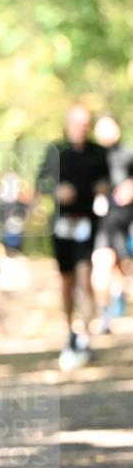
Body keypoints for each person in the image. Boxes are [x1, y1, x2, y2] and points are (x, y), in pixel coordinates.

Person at [36, 105, 109, 370]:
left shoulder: (98, 152)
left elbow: (107, 180)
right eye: (77, 124)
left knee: (84, 277)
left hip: (87, 225)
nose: (81, 128)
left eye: (85, 124)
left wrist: (104, 188)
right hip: (61, 226)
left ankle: (86, 337)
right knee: (67, 282)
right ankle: (70, 331)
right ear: (67, 124)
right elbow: (40, 183)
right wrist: (56, 191)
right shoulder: (56, 151)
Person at [91, 114, 133, 331]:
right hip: (100, 222)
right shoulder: (91, 157)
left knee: (122, 266)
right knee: (101, 262)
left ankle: (119, 295)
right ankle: (104, 313)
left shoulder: (127, 153)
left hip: (125, 220)